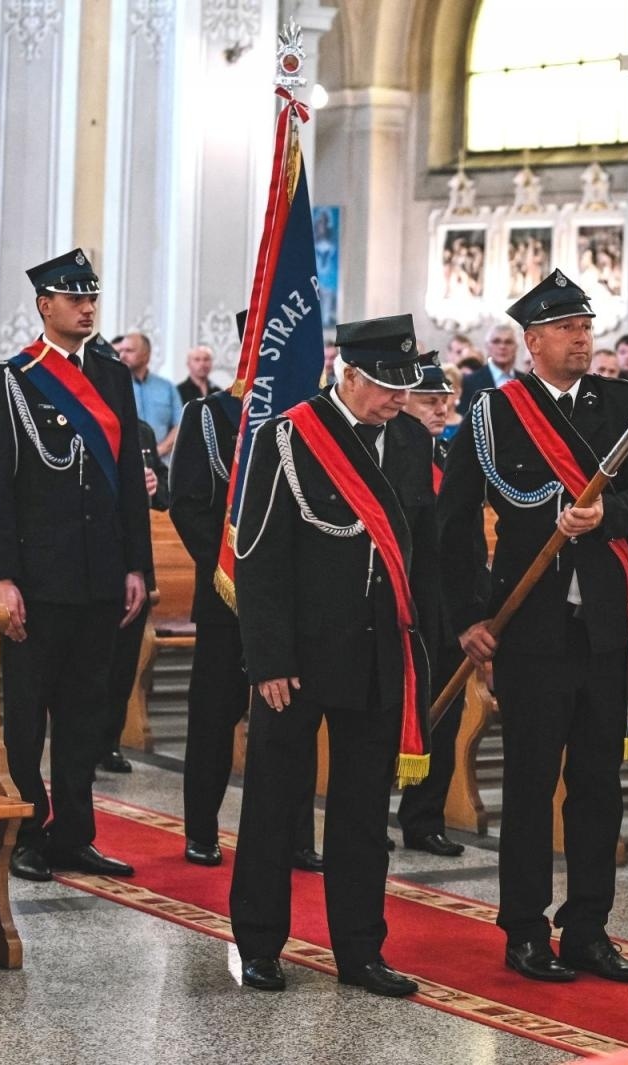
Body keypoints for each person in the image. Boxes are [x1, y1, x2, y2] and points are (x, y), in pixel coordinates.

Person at [439, 268, 628, 984]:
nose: (584, 337)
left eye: (586, 326)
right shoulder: (492, 415)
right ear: (534, 340)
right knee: (531, 785)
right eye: (569, 329)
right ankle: (525, 929)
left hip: (604, 627)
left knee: (599, 785)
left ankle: (589, 927)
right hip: (530, 630)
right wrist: (470, 617)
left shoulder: (624, 406)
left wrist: (608, 518)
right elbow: (452, 529)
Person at [230, 314, 437, 998]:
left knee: (361, 814)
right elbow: (257, 557)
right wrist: (268, 660)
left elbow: (419, 552)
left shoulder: (408, 440)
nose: (398, 398)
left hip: (377, 656)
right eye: (384, 385)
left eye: (406, 385)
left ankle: (360, 950)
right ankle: (259, 943)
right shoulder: (288, 436)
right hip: (298, 659)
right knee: (273, 804)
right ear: (347, 375)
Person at [0, 248, 151, 883]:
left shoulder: (112, 377)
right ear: (45, 305)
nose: (86, 307)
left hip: (101, 576)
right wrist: (3, 576)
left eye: (92, 298)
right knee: (27, 712)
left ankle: (75, 832)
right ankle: (26, 829)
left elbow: (128, 480)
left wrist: (137, 566)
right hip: (39, 579)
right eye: (74, 298)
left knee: (86, 711)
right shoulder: (11, 379)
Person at [171, 311, 321, 871]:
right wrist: (237, 569)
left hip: (297, 603)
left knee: (295, 722)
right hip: (227, 596)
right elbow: (188, 503)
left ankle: (297, 836)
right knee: (214, 717)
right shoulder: (210, 415)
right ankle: (202, 830)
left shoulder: (310, 417)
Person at [394, 357, 471, 858]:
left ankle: (425, 819)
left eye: (444, 398)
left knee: (443, 717)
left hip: (447, 613)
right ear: (403, 401)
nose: (440, 407)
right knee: (390, 718)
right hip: (403, 609)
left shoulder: (447, 455)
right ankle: (369, 817)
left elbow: (466, 542)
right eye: (428, 399)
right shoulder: (389, 454)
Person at [96, 413, 171, 776]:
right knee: (93, 661)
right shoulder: (87, 422)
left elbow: (164, 498)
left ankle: (109, 741)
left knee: (124, 662)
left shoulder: (140, 429)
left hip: (137, 558)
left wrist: (155, 486)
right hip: (97, 555)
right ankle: (83, 744)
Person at [116, 332, 180, 457]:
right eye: (121, 350)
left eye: (129, 351)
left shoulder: (167, 387)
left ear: (146, 355)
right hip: (126, 463)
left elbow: (179, 424)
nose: (122, 355)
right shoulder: (114, 386)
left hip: (162, 466)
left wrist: (158, 451)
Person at [455, 322, 519, 416]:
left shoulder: (525, 382)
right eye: (496, 341)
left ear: (516, 347)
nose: (502, 346)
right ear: (487, 346)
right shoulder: (469, 382)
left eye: (508, 342)